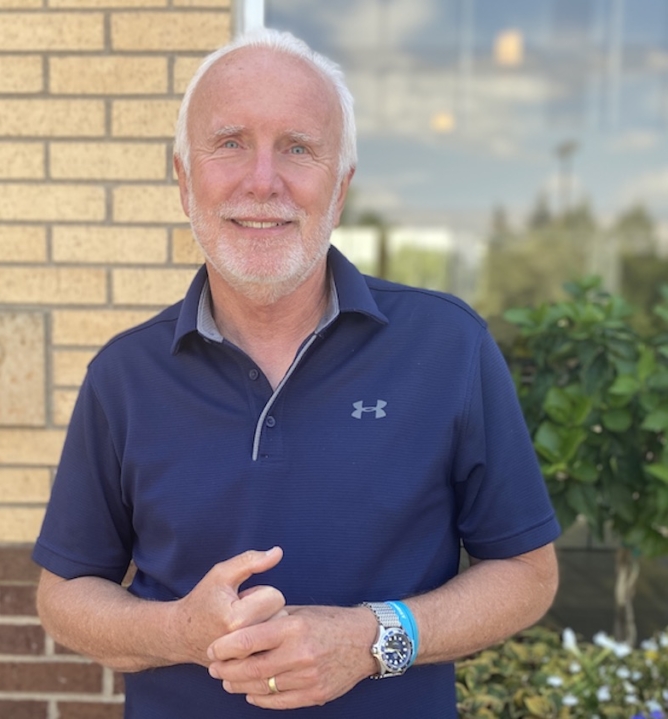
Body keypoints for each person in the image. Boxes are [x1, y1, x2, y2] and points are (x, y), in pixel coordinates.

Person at [32, 28, 560, 717]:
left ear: (340, 186)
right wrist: (179, 631)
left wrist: (373, 638)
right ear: (183, 178)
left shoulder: (448, 346)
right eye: (229, 143)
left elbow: (527, 573)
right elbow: (64, 595)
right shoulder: (124, 374)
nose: (262, 181)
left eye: (298, 148)